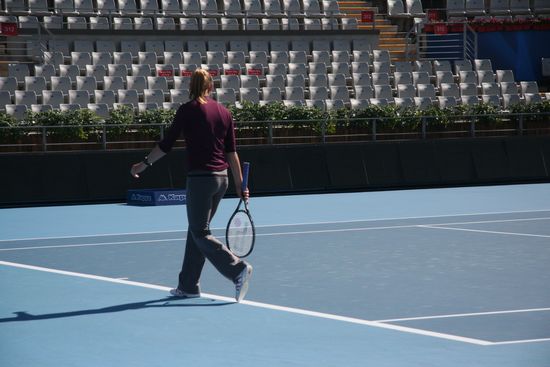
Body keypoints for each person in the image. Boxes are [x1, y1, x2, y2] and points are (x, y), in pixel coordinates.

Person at [130, 69, 253, 302]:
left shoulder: (187, 111)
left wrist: (142, 165)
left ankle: (236, 269)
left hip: (201, 180)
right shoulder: (225, 113)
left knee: (200, 232)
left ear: (191, 86)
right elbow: (231, 153)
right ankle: (188, 285)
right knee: (196, 231)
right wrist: (239, 185)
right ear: (211, 87)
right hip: (222, 180)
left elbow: (166, 145)